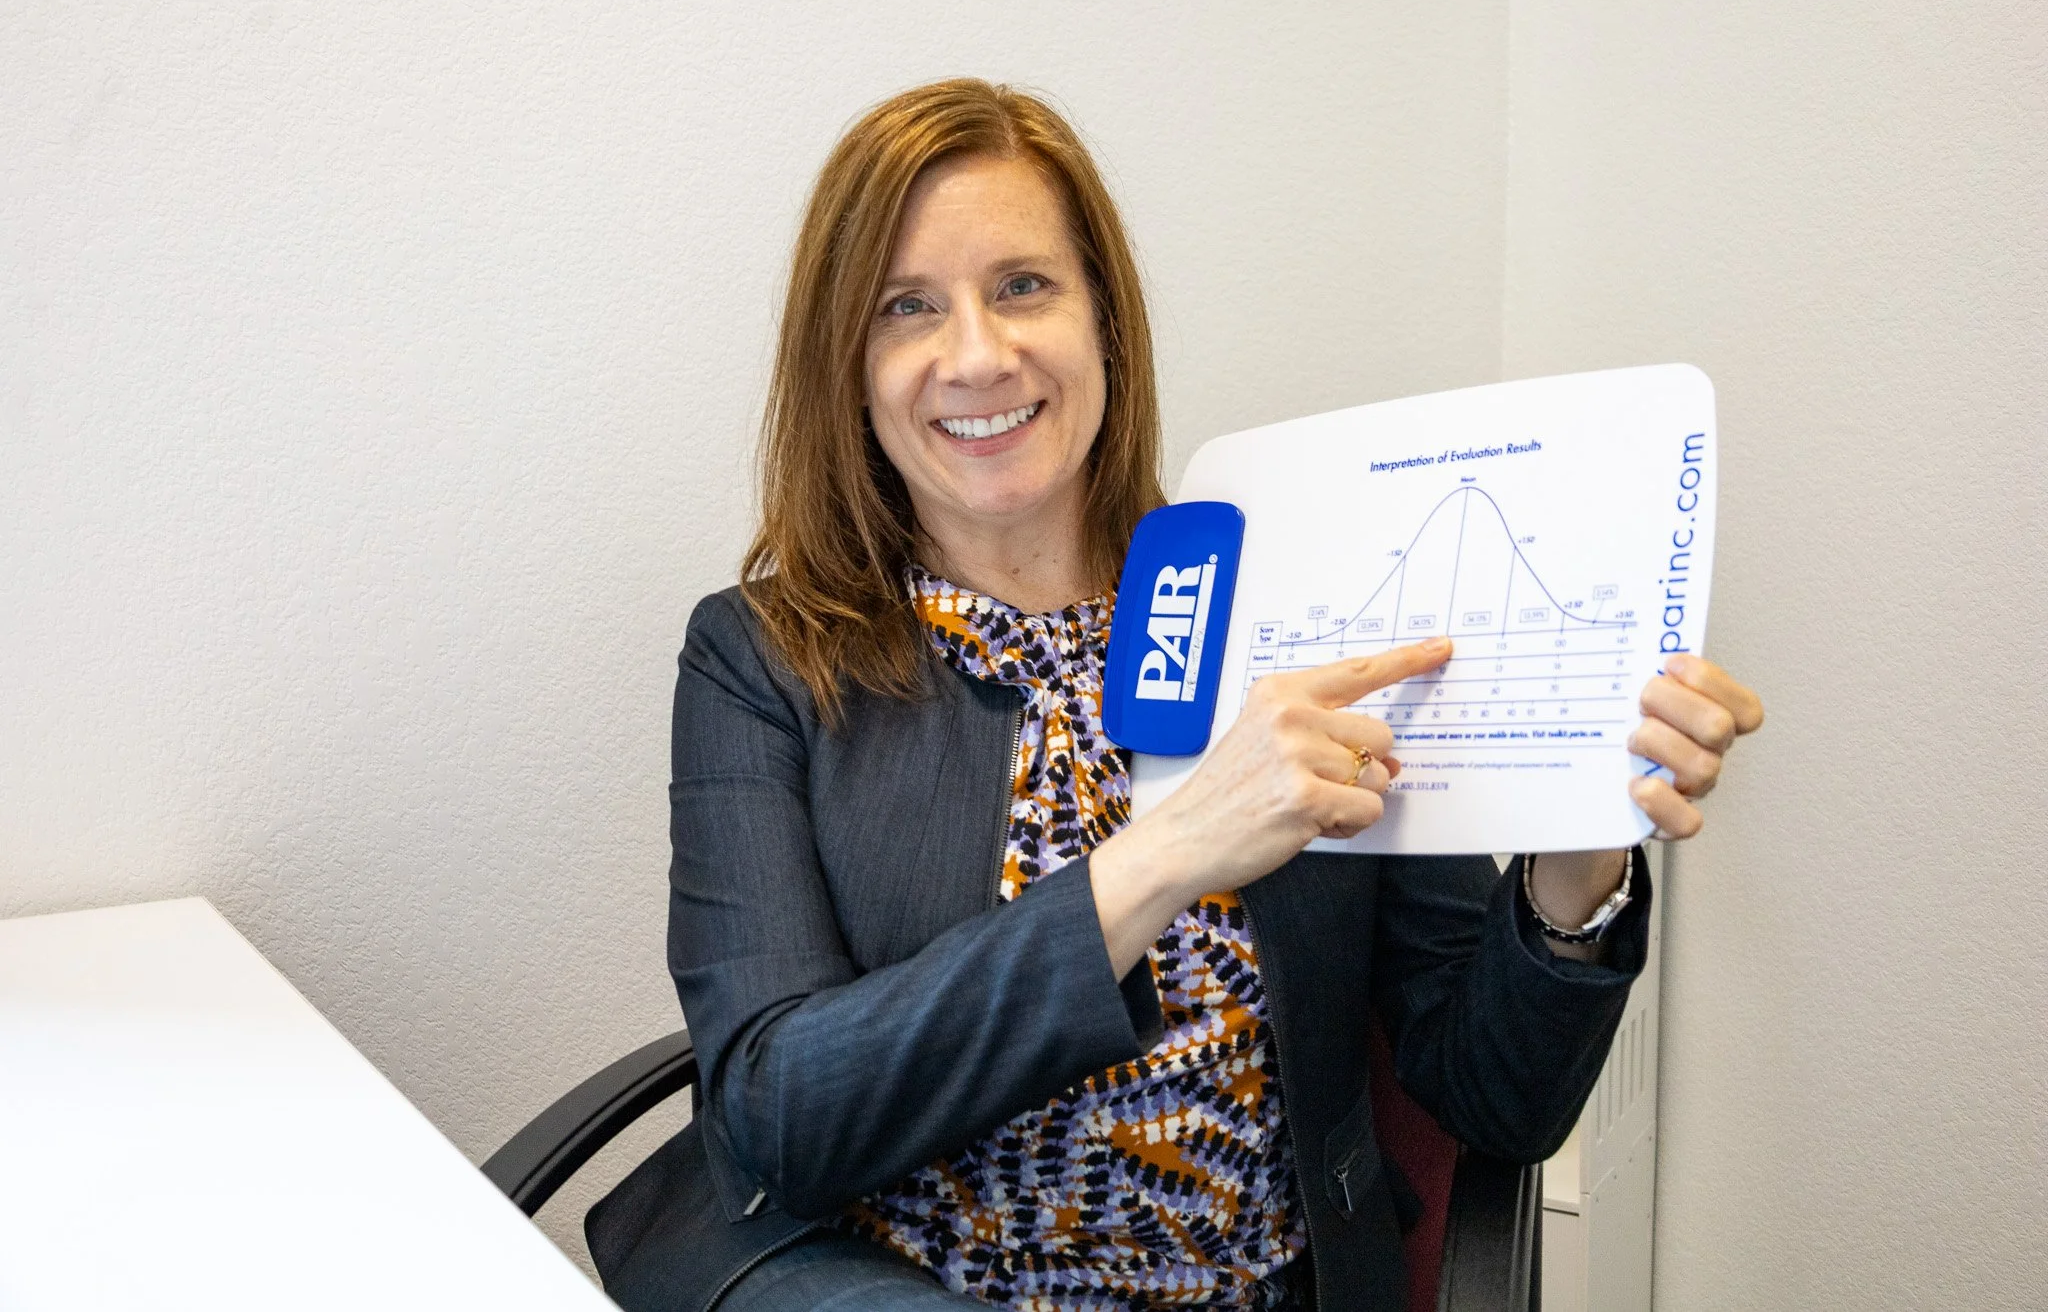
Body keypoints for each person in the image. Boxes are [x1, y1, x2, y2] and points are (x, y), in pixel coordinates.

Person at [585, 80, 1764, 1312]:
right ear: (849, 363)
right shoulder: (760, 660)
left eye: (1024, 286)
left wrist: (1580, 846)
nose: (978, 353)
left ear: (1103, 318)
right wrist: (1164, 857)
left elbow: (1490, 1101)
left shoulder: (1305, 602)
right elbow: (779, 1121)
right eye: (907, 306)